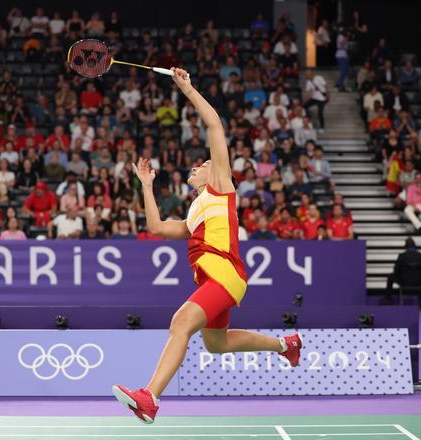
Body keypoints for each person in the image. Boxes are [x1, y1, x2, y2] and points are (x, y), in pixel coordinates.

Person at [112, 68, 302, 424]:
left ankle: (149, 397)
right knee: (216, 344)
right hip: (215, 280)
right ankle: (285, 345)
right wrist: (146, 186)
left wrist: (187, 89)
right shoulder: (195, 211)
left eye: (204, 164)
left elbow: (215, 126)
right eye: (199, 165)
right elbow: (154, 226)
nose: (199, 166)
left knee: (180, 322)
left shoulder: (221, 187)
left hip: (224, 274)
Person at [386, 238, 421, 303]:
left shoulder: (401, 256)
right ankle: (420, 301)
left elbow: (396, 271)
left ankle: (388, 299)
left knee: (390, 277)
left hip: (404, 282)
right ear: (415, 246)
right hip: (418, 282)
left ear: (405, 246)